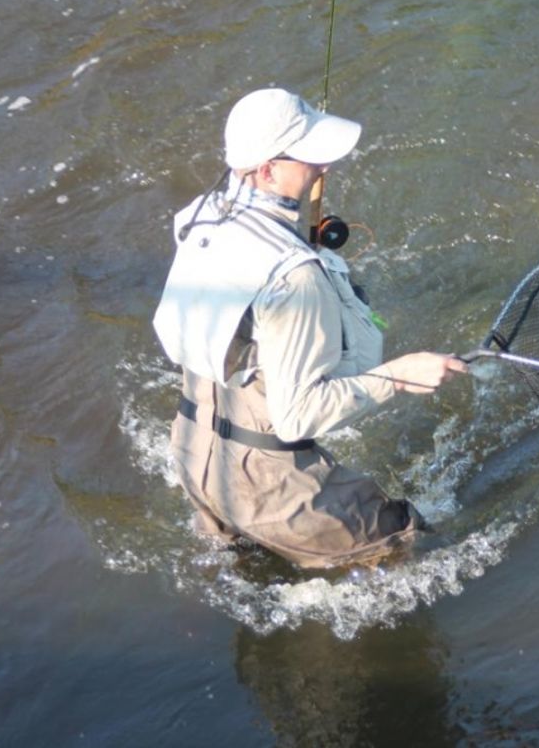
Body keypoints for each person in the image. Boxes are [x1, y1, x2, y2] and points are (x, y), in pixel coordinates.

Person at [152, 88, 466, 568]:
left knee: (247, 573)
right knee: (416, 544)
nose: (324, 167)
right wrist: (401, 373)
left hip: (195, 458)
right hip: (272, 491)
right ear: (268, 170)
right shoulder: (296, 275)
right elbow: (298, 417)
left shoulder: (200, 218)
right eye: (309, 158)